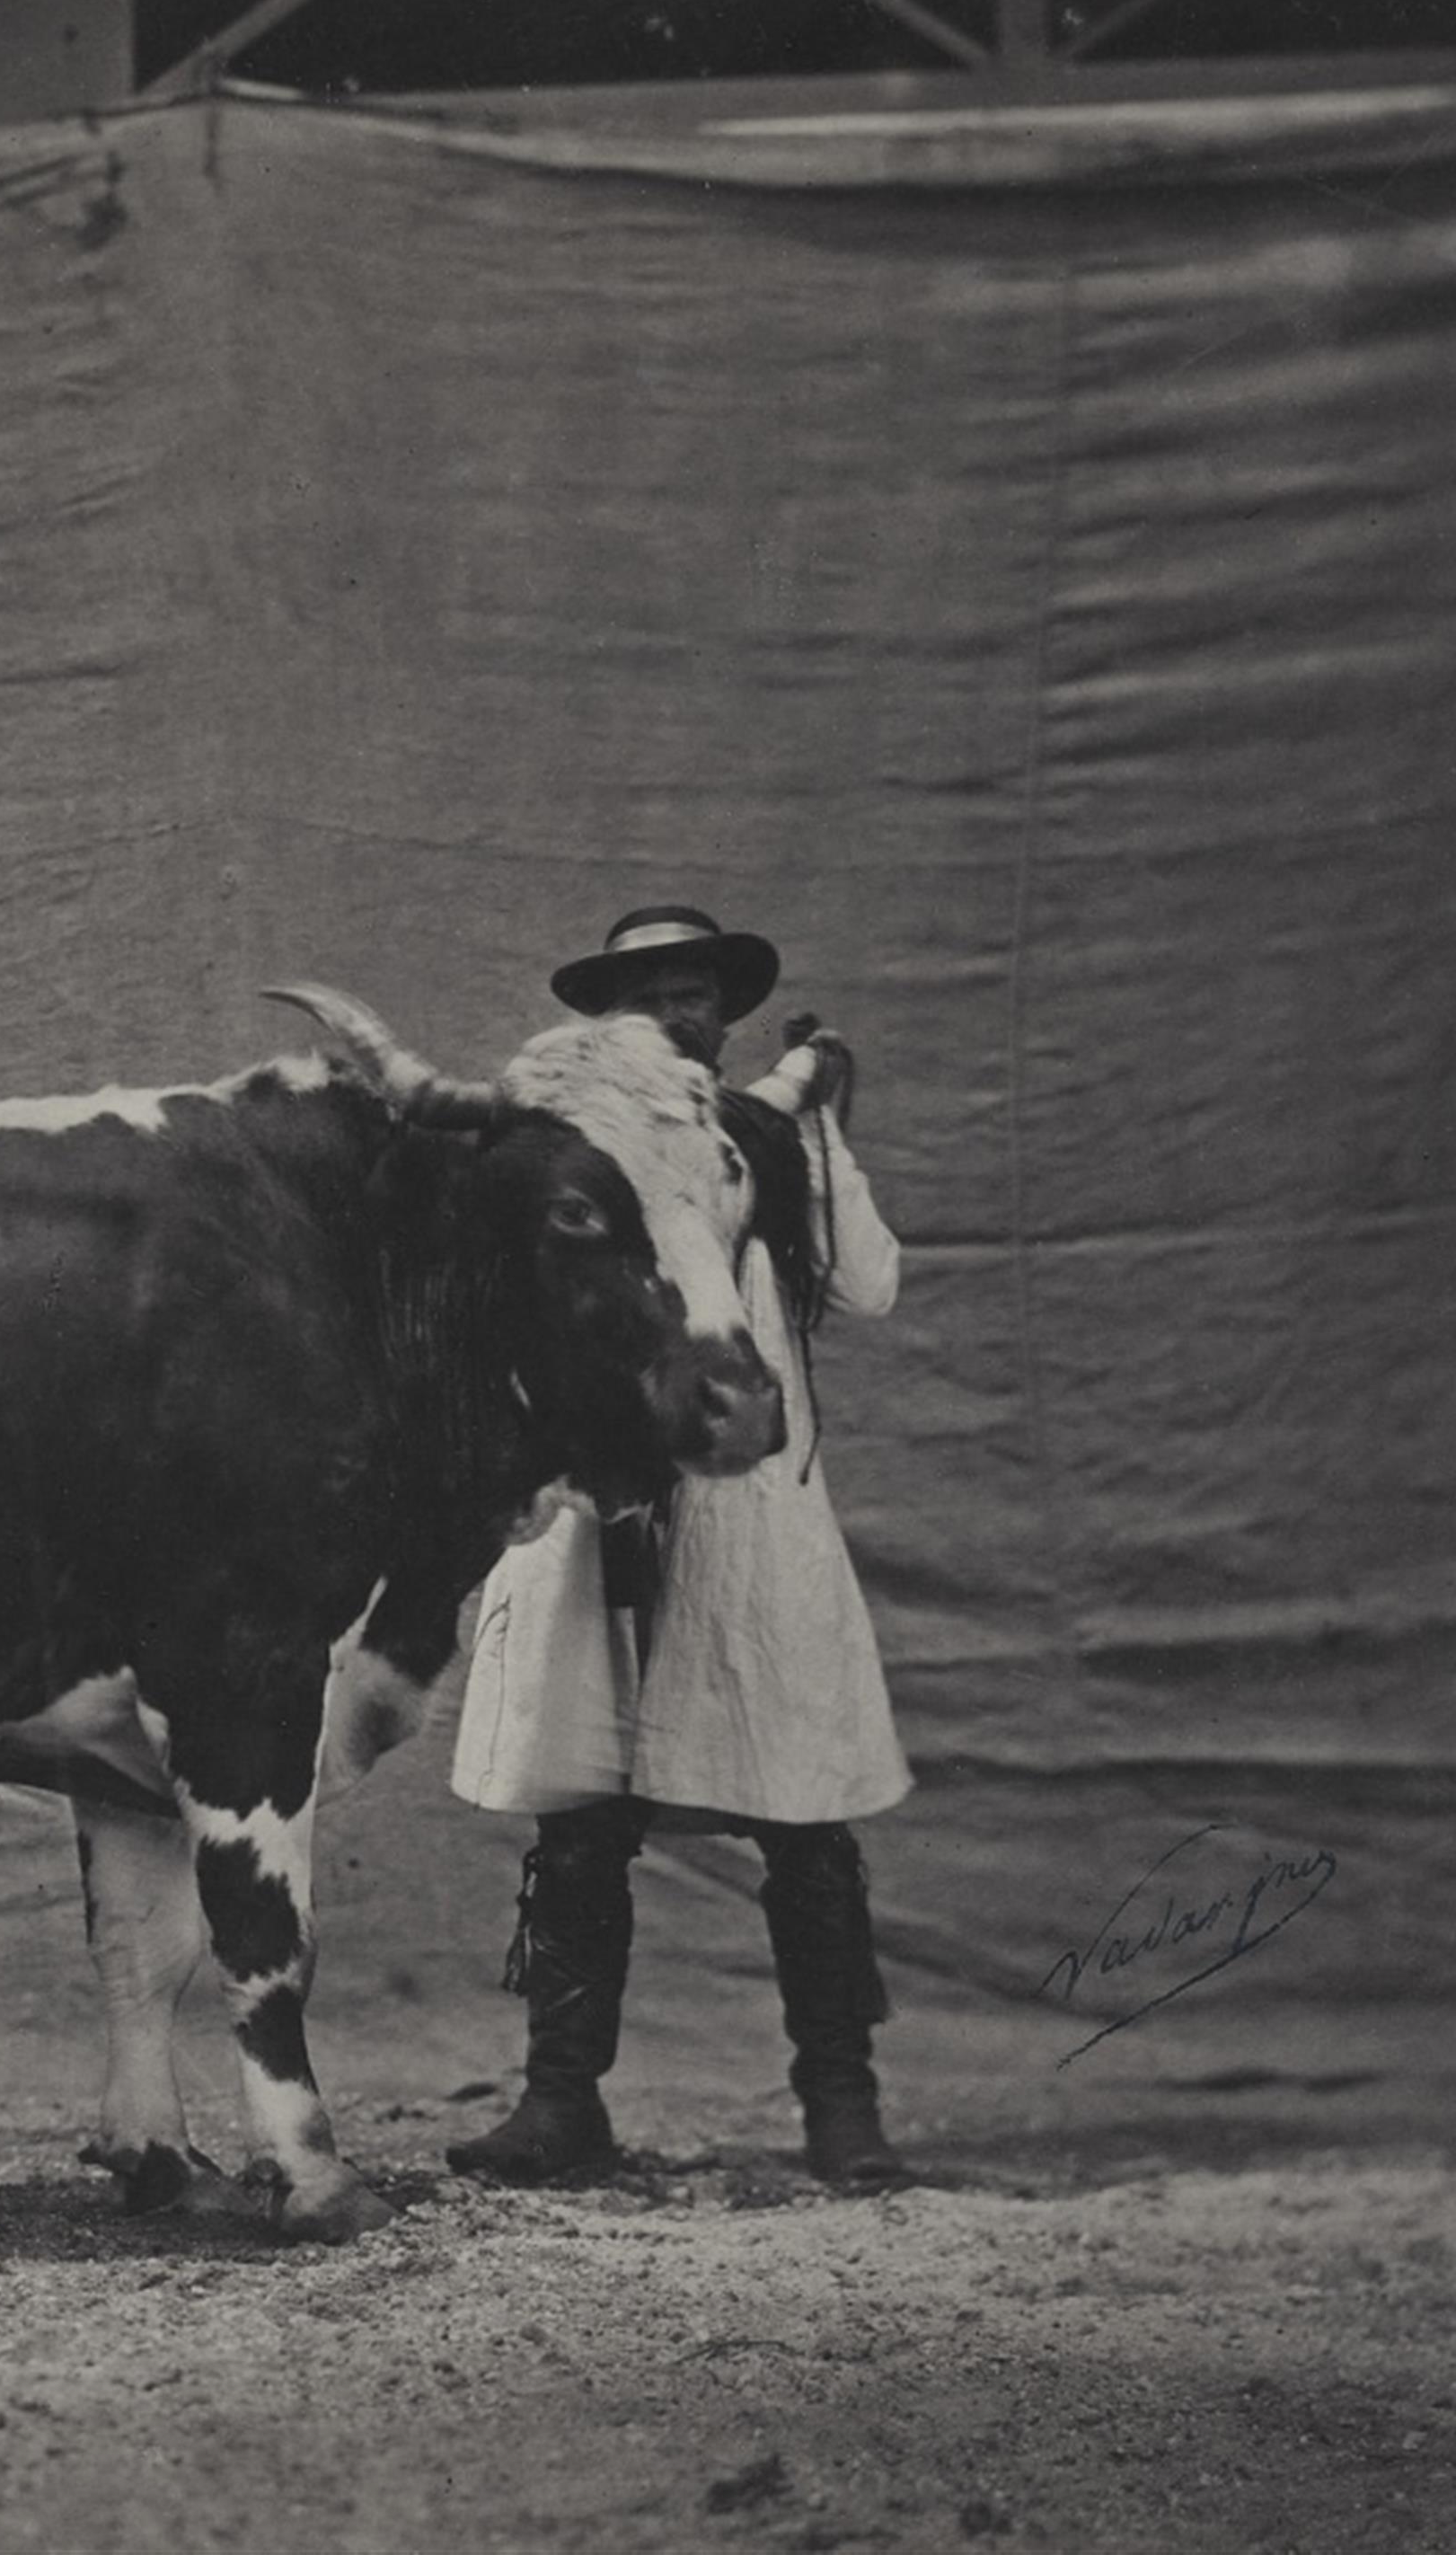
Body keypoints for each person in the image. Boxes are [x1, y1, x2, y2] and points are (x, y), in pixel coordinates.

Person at [444, 905, 913, 2191]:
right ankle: (560, 2102)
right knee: (583, 1813)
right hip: (602, 1498)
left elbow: (868, 1284)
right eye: (644, 990)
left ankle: (841, 2107)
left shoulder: (770, 1134)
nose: (674, 1010)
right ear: (605, 1016)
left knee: (803, 1814)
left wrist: (816, 1136)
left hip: (754, 1511)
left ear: (730, 1011)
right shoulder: (574, 1143)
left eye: (696, 989)